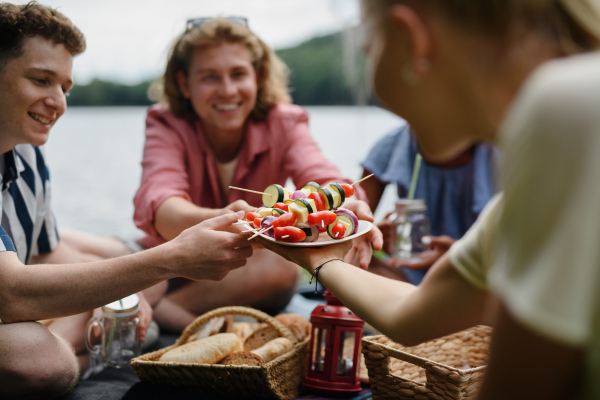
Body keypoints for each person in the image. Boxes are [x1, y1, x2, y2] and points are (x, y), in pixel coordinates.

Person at [259, 0, 600, 398]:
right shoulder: (513, 202)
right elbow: (412, 314)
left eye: (369, 48)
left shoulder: (571, 106)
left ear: (411, 39)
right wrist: (319, 255)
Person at [0, 3, 253, 399]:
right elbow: (10, 293)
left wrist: (129, 286)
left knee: (136, 279)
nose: (58, 102)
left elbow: (47, 253)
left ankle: (96, 337)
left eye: (64, 88)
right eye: (40, 80)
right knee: (37, 360)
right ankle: (91, 352)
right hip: (10, 303)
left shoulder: (27, 152)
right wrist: (175, 257)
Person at [133, 17, 382, 332]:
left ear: (258, 76)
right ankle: (175, 315)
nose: (227, 91)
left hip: (238, 273)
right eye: (210, 77)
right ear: (185, 84)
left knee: (281, 268)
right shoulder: (165, 122)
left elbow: (322, 176)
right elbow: (163, 209)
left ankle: (163, 313)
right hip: (172, 266)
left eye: (238, 74)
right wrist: (229, 218)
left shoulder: (285, 122)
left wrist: (346, 204)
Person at [360, 124, 499, 284]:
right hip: (405, 274)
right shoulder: (393, 144)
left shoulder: (500, 151)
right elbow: (354, 227)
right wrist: (375, 237)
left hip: (474, 273)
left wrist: (458, 254)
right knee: (355, 266)